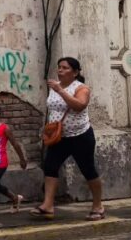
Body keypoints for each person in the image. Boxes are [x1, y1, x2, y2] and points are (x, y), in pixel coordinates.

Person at [31, 56, 105, 221]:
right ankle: (47, 205)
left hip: (81, 136)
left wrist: (60, 91)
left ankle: (98, 206)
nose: (60, 70)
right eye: (59, 67)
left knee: (88, 170)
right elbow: (53, 108)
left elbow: (79, 106)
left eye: (65, 68)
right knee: (50, 166)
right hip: (60, 137)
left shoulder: (81, 88)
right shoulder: (54, 87)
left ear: (75, 72)